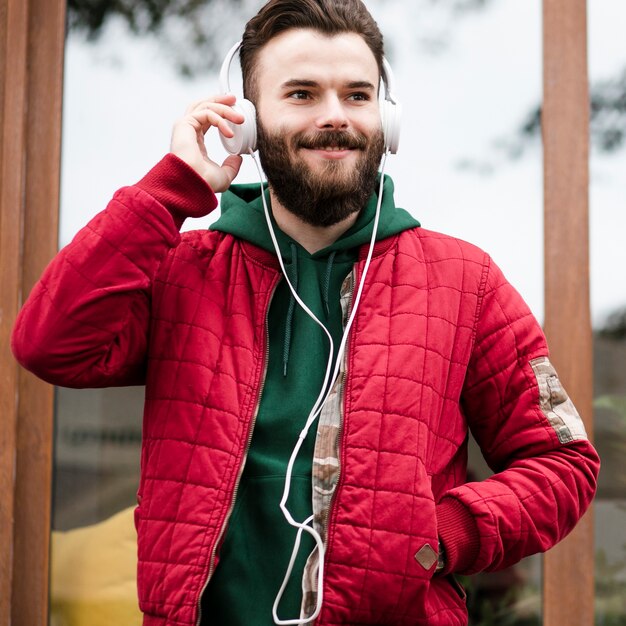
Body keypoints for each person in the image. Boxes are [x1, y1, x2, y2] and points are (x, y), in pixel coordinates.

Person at [12, 0, 600, 624]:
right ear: (246, 122)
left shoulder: (465, 281)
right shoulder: (182, 272)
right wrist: (171, 188)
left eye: (356, 95)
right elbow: (51, 344)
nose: (334, 116)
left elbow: (563, 465)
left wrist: (442, 537)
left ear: (386, 118)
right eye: (301, 93)